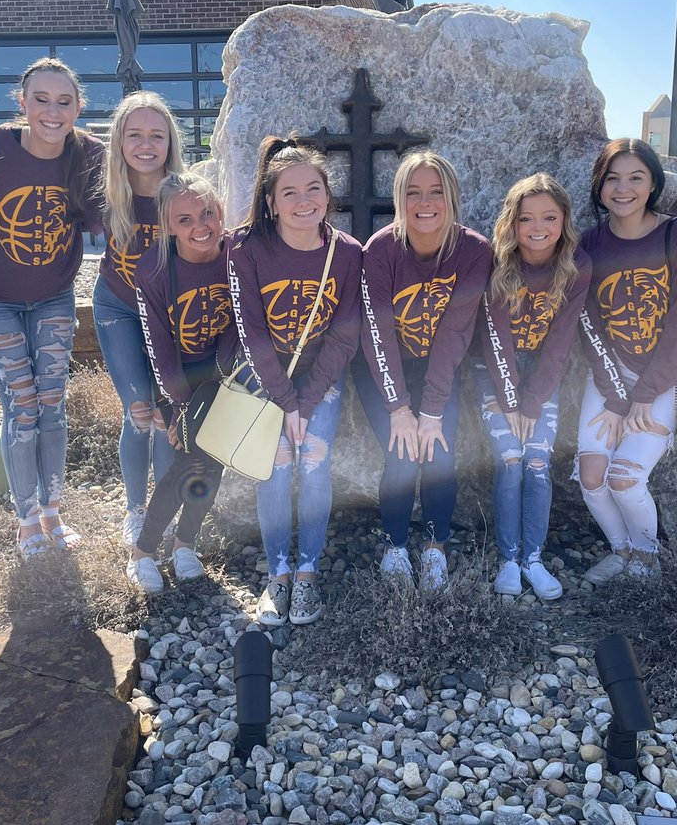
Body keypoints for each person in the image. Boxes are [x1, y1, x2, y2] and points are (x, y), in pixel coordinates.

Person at [0, 57, 106, 557]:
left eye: (64, 101)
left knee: (53, 405)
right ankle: (26, 522)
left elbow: (117, 211)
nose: (52, 110)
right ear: (21, 103)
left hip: (52, 298)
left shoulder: (89, 154)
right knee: (20, 407)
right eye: (40, 99)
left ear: (78, 107)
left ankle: (53, 512)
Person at [228, 136, 363, 626]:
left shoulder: (347, 254)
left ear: (328, 195)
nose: (303, 201)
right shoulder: (248, 251)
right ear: (271, 203)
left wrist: (306, 400)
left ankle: (306, 575)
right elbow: (252, 331)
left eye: (314, 189)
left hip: (321, 380)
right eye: (290, 193)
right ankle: (277, 574)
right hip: (269, 379)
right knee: (276, 465)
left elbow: (345, 335)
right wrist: (285, 400)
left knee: (313, 463)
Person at [356, 151, 491, 590]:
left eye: (435, 192)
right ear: (400, 199)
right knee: (401, 457)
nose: (424, 202)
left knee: (438, 454)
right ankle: (395, 548)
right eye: (413, 193)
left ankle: (436, 549)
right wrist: (399, 407)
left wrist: (430, 410)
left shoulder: (473, 251)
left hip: (439, 367)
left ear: (451, 196)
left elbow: (454, 333)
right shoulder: (381, 250)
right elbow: (377, 334)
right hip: (383, 368)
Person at [576, 138, 677, 582]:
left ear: (653, 184)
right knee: (591, 476)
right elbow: (589, 329)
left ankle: (648, 559)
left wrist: (644, 395)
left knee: (625, 478)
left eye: (636, 177)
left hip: (672, 380)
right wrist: (617, 397)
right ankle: (623, 550)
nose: (623, 188)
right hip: (614, 378)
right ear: (599, 185)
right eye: (612, 178)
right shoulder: (589, 244)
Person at [475, 174, 590, 598]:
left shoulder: (576, 268)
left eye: (549, 217)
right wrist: (511, 399)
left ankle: (533, 559)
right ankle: (507, 559)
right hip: (494, 370)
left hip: (543, 375)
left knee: (538, 463)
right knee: (509, 459)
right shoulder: (496, 264)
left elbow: (560, 342)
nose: (537, 227)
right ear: (512, 223)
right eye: (526, 218)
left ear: (564, 221)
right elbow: (493, 336)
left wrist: (533, 400)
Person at [125, 172, 237, 592]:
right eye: (185, 219)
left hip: (225, 376)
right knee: (188, 462)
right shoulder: (155, 272)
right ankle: (144, 551)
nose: (200, 226)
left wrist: (222, 385)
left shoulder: (237, 256)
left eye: (207, 213)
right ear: (168, 226)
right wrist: (181, 406)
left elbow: (244, 320)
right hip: (180, 380)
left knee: (214, 461)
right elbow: (158, 347)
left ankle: (185, 543)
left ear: (220, 212)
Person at [93, 92, 187, 549]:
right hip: (119, 309)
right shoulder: (107, 191)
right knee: (139, 413)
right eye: (135, 134)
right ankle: (135, 510)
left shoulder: (185, 194)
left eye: (157, 134)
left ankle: (164, 513)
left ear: (170, 142)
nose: (146, 144)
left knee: (168, 415)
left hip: (171, 315)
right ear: (119, 141)